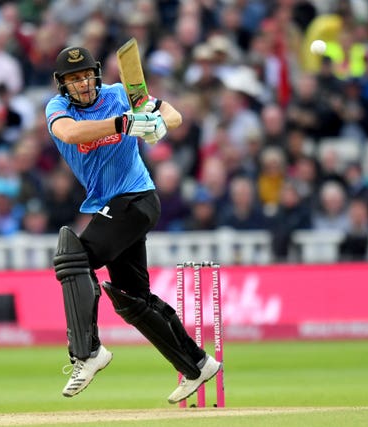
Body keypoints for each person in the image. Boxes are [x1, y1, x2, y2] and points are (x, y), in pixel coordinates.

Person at [45, 46, 221, 403]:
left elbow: (173, 113)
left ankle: (87, 352)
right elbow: (71, 134)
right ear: (62, 85)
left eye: (85, 76)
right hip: (111, 205)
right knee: (131, 297)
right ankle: (197, 364)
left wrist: (158, 124)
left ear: (95, 74)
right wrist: (123, 123)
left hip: (136, 198)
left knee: (72, 256)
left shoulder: (119, 94)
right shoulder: (58, 109)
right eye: (73, 80)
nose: (81, 84)